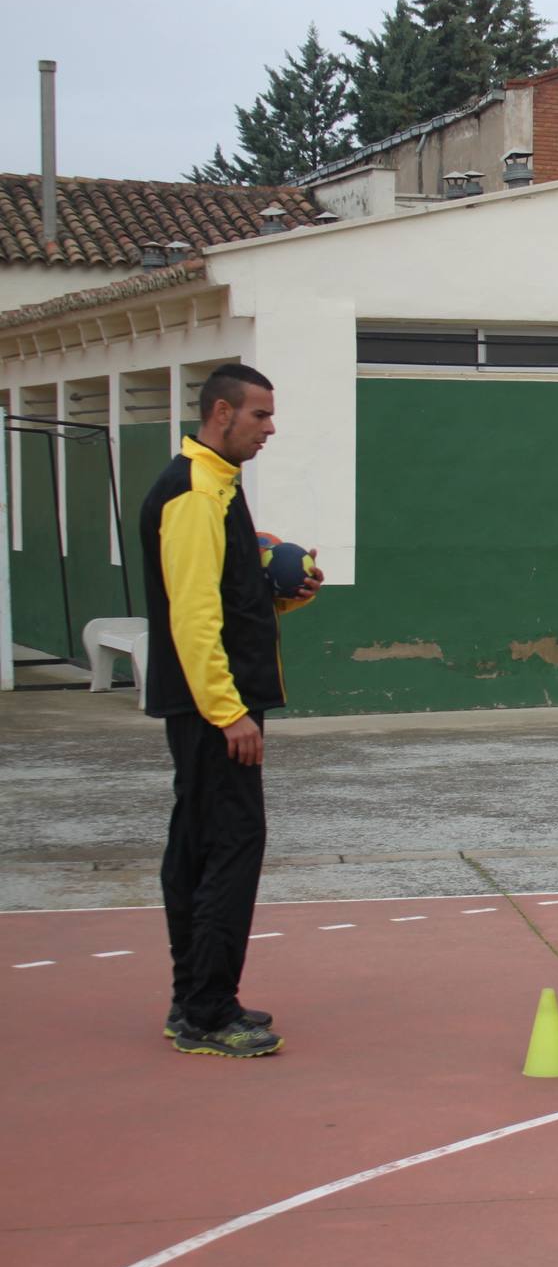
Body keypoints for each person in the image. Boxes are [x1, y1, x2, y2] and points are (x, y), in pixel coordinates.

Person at [143, 362, 322, 1058]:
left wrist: (286, 592)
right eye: (259, 416)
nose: (269, 428)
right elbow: (191, 616)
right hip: (213, 709)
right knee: (230, 846)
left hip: (212, 705)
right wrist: (228, 711)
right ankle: (209, 1012)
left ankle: (194, 997)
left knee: (197, 843)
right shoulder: (192, 493)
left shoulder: (218, 486)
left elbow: (222, 594)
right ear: (220, 414)